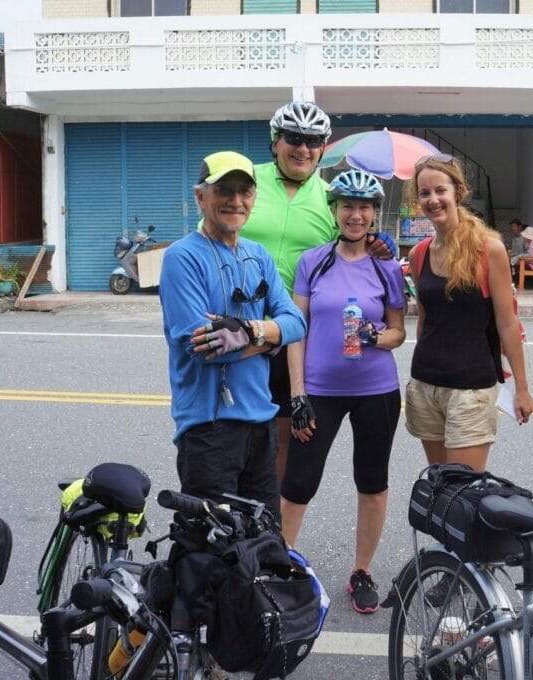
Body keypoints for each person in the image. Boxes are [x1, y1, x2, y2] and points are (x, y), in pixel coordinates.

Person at [242, 101, 394, 482]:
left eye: (313, 142)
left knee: (282, 438)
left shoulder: (331, 200)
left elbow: (350, 245)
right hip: (238, 327)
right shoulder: (247, 183)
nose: (303, 149)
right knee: (229, 432)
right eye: (294, 138)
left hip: (287, 333)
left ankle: (267, 528)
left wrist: (379, 244)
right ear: (275, 142)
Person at [280, 170, 406, 614]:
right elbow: (296, 331)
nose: (356, 214)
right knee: (298, 484)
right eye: (347, 206)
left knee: (372, 483)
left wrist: (375, 337)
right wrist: (297, 394)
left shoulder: (387, 265)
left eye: (365, 206)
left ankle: (361, 571)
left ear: (374, 213)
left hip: (376, 390)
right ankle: (279, 566)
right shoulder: (313, 261)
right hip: (320, 390)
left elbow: (398, 333)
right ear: (334, 211)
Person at [160, 151, 306, 520]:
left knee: (262, 544)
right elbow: (205, 350)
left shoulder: (258, 256)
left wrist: (251, 330)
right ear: (200, 197)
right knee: (210, 552)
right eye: (224, 189)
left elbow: (297, 323)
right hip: (209, 429)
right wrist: (271, 342)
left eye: (245, 191)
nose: (235, 201)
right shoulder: (182, 257)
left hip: (261, 422)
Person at [405, 154, 533, 472]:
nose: (433, 200)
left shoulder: (488, 249)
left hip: (472, 390)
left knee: (462, 494)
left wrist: (522, 388)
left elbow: (507, 322)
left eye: (440, 190)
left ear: (457, 191)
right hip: (426, 386)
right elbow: (424, 319)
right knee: (438, 486)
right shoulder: (418, 254)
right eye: (424, 193)